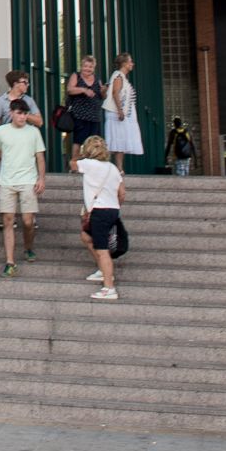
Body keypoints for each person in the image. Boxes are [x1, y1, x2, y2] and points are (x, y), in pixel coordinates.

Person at [0, 100, 45, 273]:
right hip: (7, 180)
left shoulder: (34, 132)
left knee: (28, 221)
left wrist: (41, 178)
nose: (22, 117)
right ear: (12, 113)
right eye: (19, 113)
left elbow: (40, 157)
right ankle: (10, 261)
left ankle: (28, 247)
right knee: (8, 220)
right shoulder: (1, 131)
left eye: (25, 113)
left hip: (28, 179)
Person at [75, 137, 124, 302]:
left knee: (102, 249)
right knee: (86, 236)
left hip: (99, 211)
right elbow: (122, 193)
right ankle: (103, 271)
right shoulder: (113, 169)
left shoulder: (88, 164)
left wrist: (80, 154)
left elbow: (72, 164)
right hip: (112, 209)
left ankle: (109, 287)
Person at [104, 53, 142, 168]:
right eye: (130, 62)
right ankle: (114, 167)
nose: (132, 64)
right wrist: (120, 110)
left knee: (121, 140)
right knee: (117, 139)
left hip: (123, 113)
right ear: (124, 64)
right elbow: (115, 93)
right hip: (116, 113)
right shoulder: (118, 76)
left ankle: (119, 167)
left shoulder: (122, 77)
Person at [64, 56, 106, 149]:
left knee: (95, 143)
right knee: (78, 141)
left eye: (90, 67)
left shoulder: (97, 79)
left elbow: (102, 97)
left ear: (94, 68)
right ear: (81, 66)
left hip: (94, 117)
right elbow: (70, 89)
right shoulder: (76, 75)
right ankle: (74, 161)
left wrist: (103, 91)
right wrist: (84, 90)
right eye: (85, 66)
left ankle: (92, 162)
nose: (88, 69)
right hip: (80, 116)